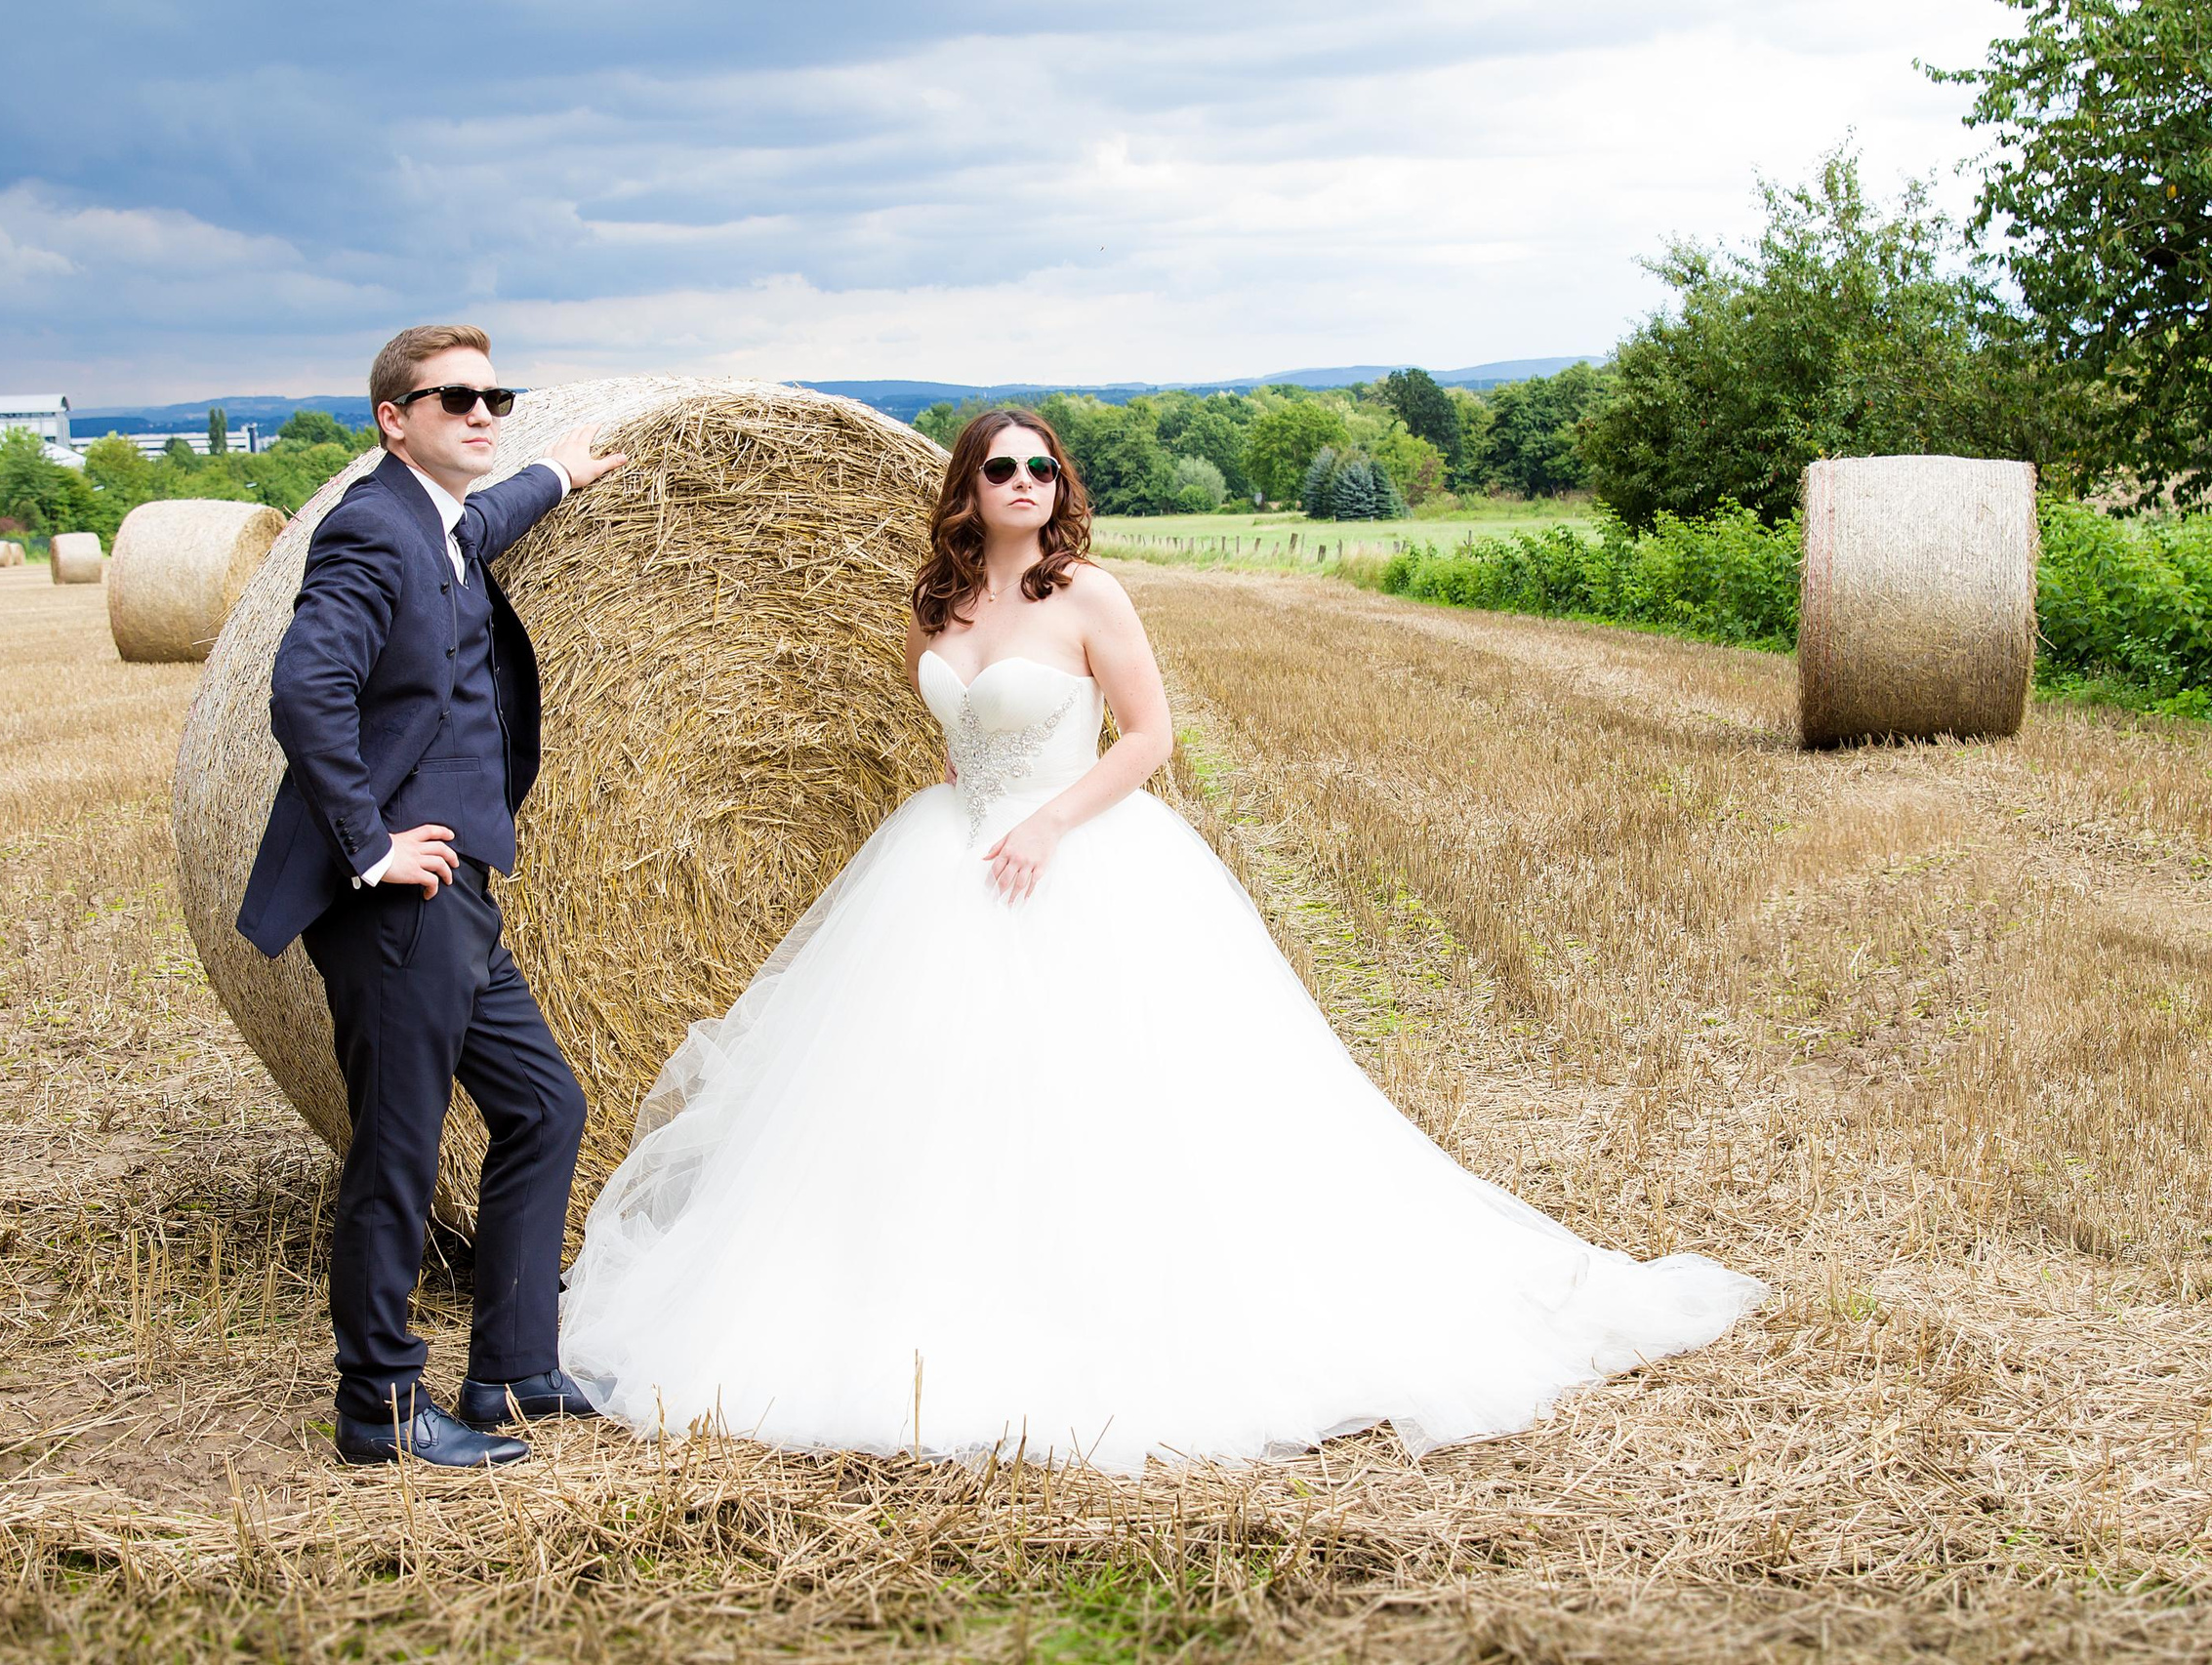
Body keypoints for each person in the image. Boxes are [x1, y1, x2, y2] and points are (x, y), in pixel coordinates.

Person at [557, 409, 1766, 1472]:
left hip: (1074, 851)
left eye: (1040, 467)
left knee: (1113, 1091)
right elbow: (961, 733)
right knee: (927, 1095)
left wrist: (1045, 822)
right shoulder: (940, 598)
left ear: (1058, 485)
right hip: (946, 852)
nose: (1024, 483)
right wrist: (967, 817)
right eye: (1000, 468)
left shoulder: (1087, 594)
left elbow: (1146, 735)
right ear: (969, 490)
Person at [235, 324, 625, 1467]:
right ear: (391, 419)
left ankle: (512, 1364)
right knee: (399, 1150)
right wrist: (370, 846)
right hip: (399, 901)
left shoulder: (439, 519)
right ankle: (382, 1407)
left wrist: (557, 473)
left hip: (457, 900)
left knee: (545, 1102)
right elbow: (305, 687)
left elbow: (485, 517)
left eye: (494, 395)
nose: (481, 411)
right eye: (452, 396)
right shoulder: (369, 523)